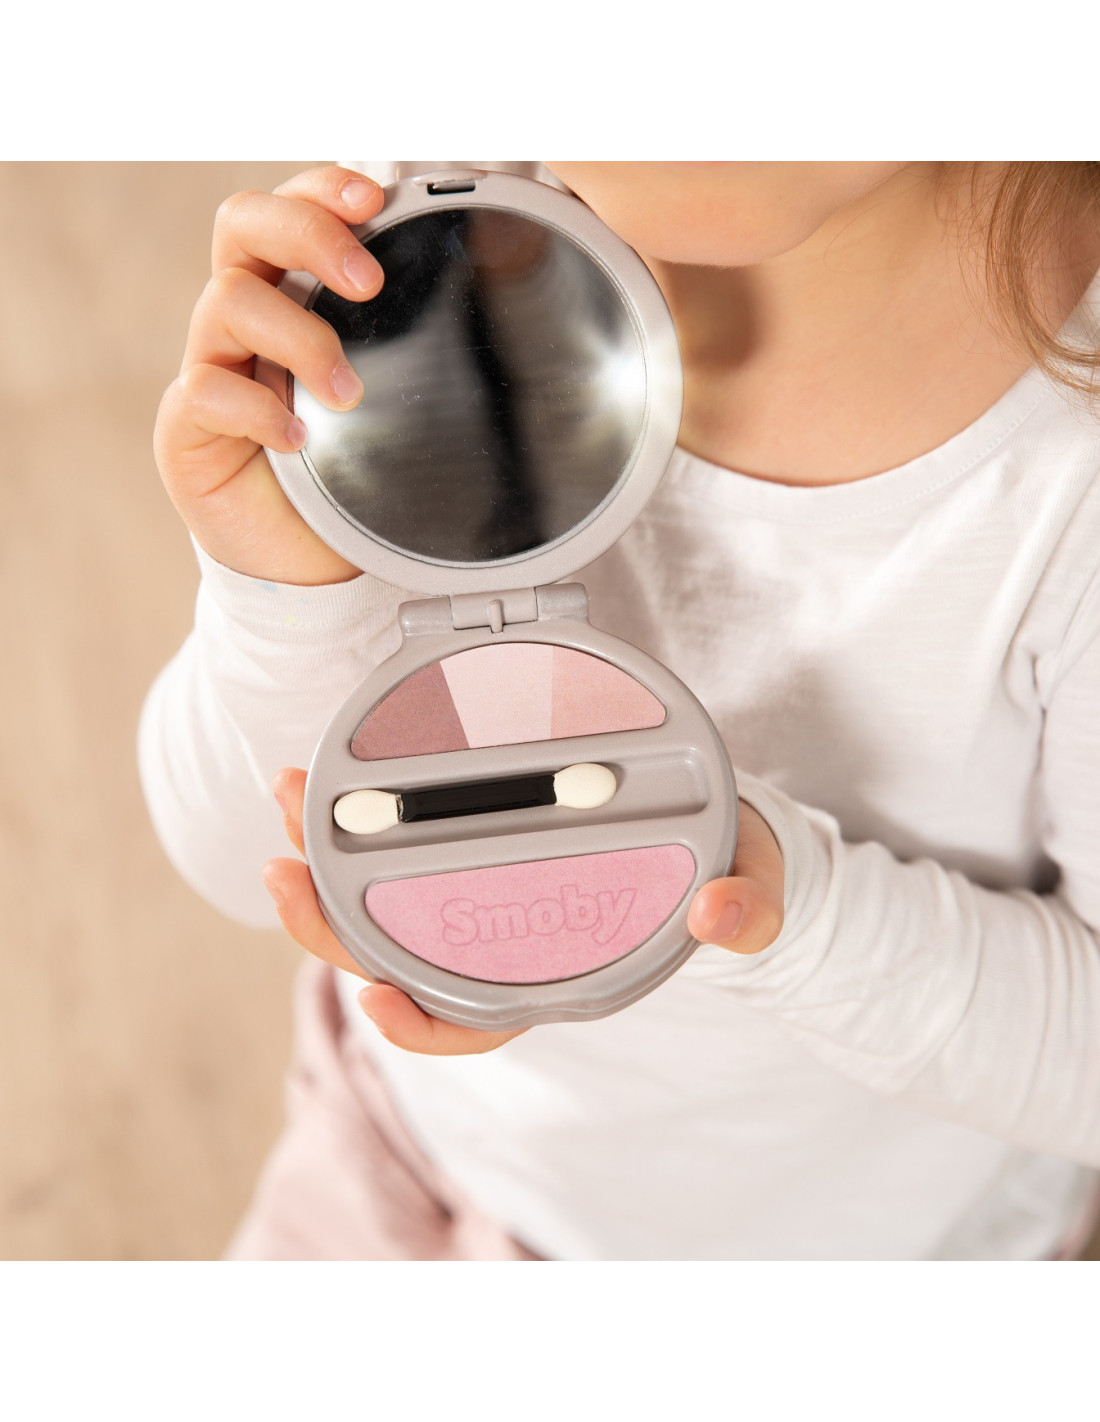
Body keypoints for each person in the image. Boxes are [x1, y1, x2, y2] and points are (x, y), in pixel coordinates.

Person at [141, 161, 1100, 1259]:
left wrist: (776, 898)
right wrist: (282, 599)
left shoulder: (1067, 469)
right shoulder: (421, 228)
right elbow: (234, 870)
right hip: (413, 1156)